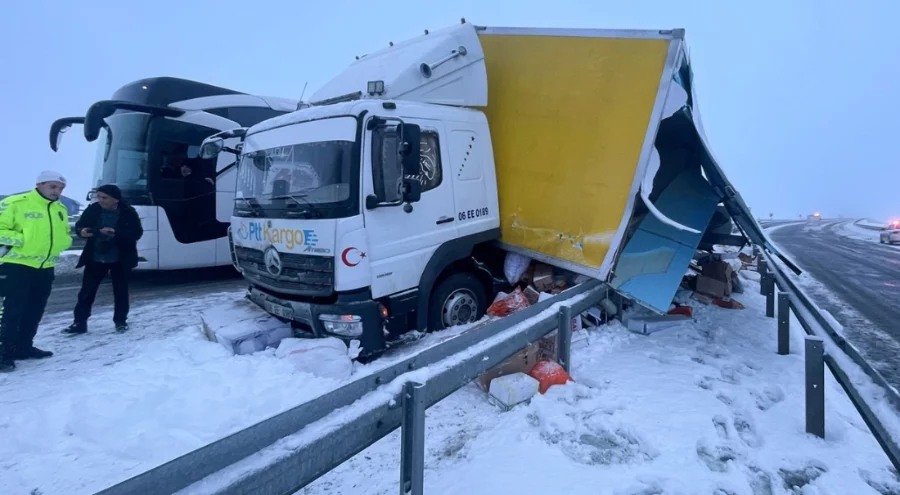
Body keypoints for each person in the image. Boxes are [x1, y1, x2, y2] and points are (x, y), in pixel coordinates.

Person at [0, 171, 73, 372]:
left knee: (34, 310)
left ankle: (23, 348)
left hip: (45, 268)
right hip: (17, 267)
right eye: (53, 187)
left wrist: (64, 242)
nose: (57, 191)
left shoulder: (60, 208)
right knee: (12, 312)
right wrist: (24, 241)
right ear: (39, 184)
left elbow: (65, 233)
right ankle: (3, 354)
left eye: (60, 188)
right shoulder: (16, 203)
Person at [63, 184, 143, 335]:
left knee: (120, 292)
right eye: (98, 197)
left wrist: (115, 232)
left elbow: (136, 233)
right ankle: (79, 323)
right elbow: (81, 226)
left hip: (121, 258)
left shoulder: (128, 212)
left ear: (116, 199)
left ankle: (120, 322)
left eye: (104, 197)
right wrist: (85, 232)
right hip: (95, 256)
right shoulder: (93, 209)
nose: (100, 200)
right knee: (86, 291)